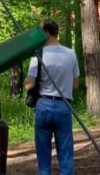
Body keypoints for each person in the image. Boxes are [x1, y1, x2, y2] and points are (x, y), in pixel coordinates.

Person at [24, 19, 80, 175]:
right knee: (66, 154)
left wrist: (25, 82)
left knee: (43, 155)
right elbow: (75, 85)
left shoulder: (38, 55)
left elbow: (30, 85)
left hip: (44, 106)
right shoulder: (71, 54)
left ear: (47, 33)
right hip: (64, 106)